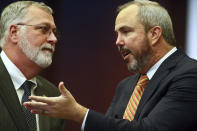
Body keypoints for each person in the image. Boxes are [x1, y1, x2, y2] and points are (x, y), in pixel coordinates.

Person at [24, 0, 197, 131]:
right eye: (117, 34)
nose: (117, 42)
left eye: (126, 31)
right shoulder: (127, 86)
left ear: (154, 34)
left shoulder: (190, 74)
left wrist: (79, 113)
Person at [0, 1, 65, 131]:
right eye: (44, 29)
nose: (53, 39)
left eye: (54, 32)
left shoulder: (53, 95)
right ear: (14, 33)